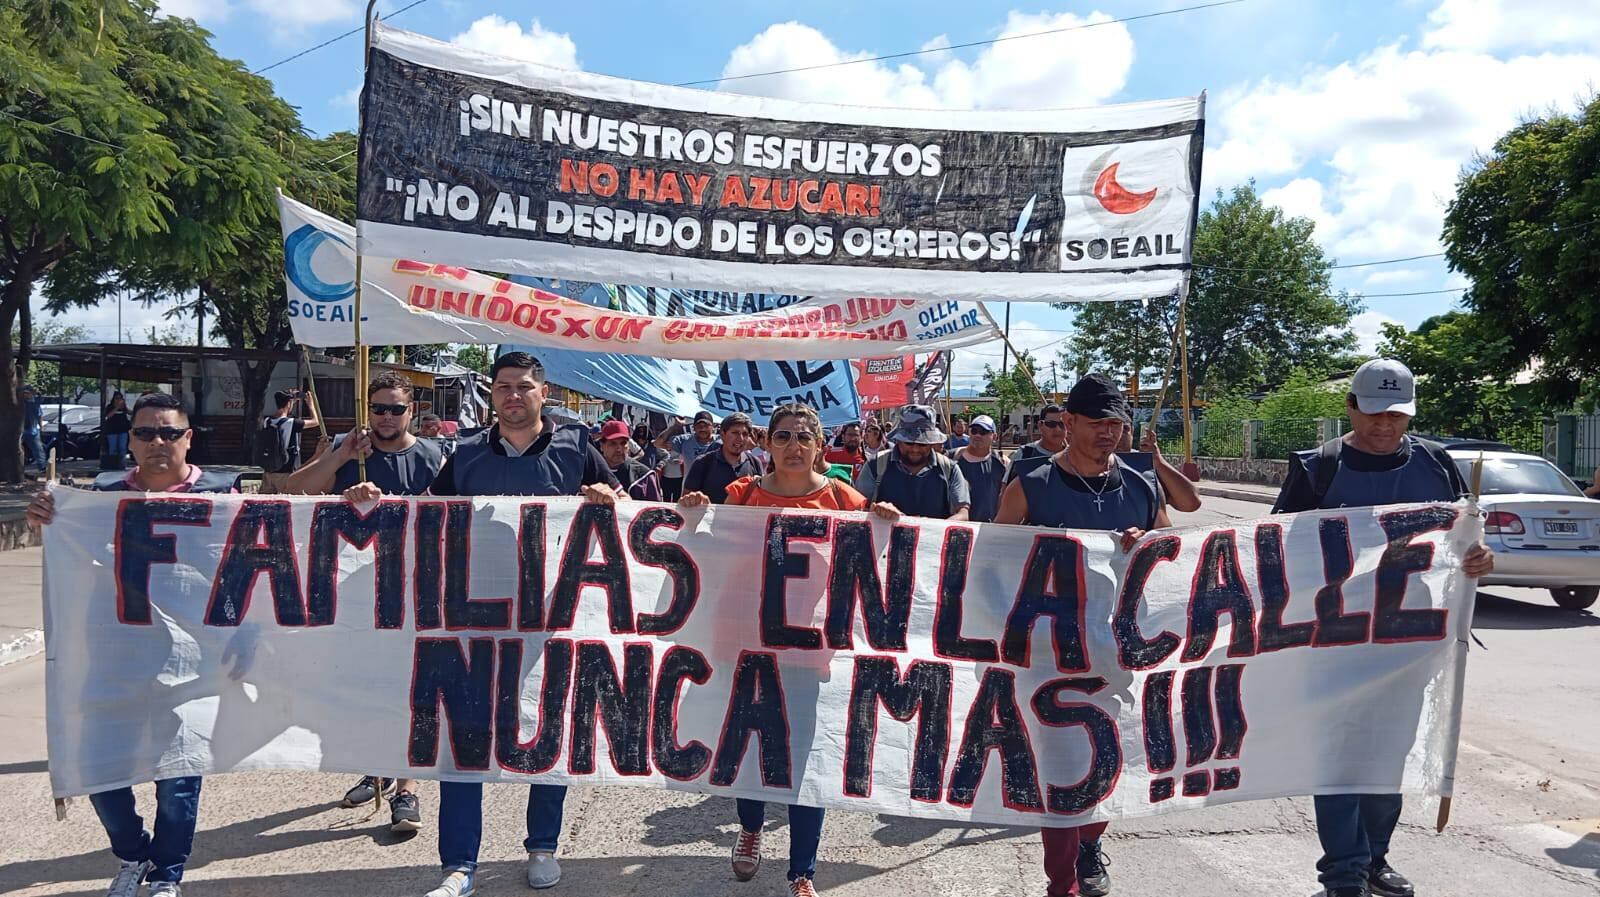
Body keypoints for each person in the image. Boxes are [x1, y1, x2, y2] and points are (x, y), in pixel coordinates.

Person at [1270, 358, 1494, 897]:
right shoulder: (1318, 469)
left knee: (1388, 755)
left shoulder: (1436, 463)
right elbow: (1273, 549)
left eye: (1396, 415)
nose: (1384, 425)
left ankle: (1374, 859)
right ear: (1350, 407)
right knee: (1338, 759)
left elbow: (1462, 534)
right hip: (1333, 642)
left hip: (1408, 642)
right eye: (1374, 413)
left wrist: (1480, 556)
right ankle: (1343, 873)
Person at [421, 352, 624, 897]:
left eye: (525, 386)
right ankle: (459, 863)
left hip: (550, 618)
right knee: (464, 737)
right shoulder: (465, 453)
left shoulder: (576, 447)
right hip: (475, 617)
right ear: (492, 393)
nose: (514, 395)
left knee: (548, 729)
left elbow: (624, 510)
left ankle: (543, 846)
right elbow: (424, 517)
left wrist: (609, 497)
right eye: (504, 386)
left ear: (543, 393)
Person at [680, 403, 897, 897]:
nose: (793, 446)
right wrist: (693, 515)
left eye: (803, 437)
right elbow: (703, 548)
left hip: (809, 650)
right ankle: (751, 827)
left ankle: (802, 871)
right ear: (767, 443)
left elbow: (877, 559)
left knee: (805, 758)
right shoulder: (741, 495)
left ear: (819, 445)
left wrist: (885, 522)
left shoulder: (843, 499)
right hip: (743, 642)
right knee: (748, 747)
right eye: (782, 437)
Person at [26, 393, 236, 897]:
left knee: (179, 780)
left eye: (169, 432)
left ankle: (166, 874)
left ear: (188, 438)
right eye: (144, 433)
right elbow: (72, 556)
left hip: (192, 663)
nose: (157, 442)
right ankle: (132, 852)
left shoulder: (222, 494)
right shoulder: (99, 497)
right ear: (130, 441)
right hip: (111, 660)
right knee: (100, 769)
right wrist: (45, 520)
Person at [995, 374, 1171, 897]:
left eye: (1116, 423)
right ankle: (1062, 881)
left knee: (1107, 758)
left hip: (1118, 654)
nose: (1108, 433)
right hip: (1049, 656)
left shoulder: (1140, 486)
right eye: (1097, 423)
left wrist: (1148, 543)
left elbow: (1172, 551)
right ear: (1069, 422)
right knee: (1061, 767)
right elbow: (991, 559)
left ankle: (1090, 845)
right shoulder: (1031, 485)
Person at [282, 372, 443, 832]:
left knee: (410, 690)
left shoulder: (432, 456)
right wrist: (340, 459)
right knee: (368, 688)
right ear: (366, 409)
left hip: (414, 587)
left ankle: (407, 788)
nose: (386, 417)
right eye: (379, 408)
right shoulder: (347, 447)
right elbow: (294, 491)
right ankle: (376, 769)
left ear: (411, 411)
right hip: (353, 591)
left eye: (396, 409)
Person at [855, 404, 970, 520]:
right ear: (898, 440)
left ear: (931, 443)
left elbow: (963, 513)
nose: (915, 449)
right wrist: (876, 510)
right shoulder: (875, 465)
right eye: (909, 443)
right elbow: (856, 509)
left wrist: (935, 527)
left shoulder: (949, 469)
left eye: (922, 444)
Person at [1117, 424, 1203, 514]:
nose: (1118, 434)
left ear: (1132, 431)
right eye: (1109, 426)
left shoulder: (1145, 466)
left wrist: (1158, 460)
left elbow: (1191, 503)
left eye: (1124, 429)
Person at [682, 412, 761, 505]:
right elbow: (686, 502)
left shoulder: (754, 463)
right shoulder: (702, 463)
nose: (740, 438)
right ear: (723, 434)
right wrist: (696, 499)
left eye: (745, 434)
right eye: (735, 433)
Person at [257, 388, 320, 493]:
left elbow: (281, 412)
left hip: (268, 471)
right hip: (285, 472)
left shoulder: (267, 421)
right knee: (286, 500)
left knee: (265, 500)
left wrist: (290, 401)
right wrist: (311, 405)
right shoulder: (291, 423)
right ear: (289, 404)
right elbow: (315, 421)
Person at [951, 414, 1007, 523]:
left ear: (994, 437)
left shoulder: (1002, 463)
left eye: (983, 432)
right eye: (974, 431)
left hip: (987, 528)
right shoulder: (952, 458)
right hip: (956, 526)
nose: (977, 435)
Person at [598, 418, 662, 501]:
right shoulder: (592, 471)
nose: (619, 449)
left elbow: (655, 507)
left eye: (623, 443)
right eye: (613, 443)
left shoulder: (644, 476)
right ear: (602, 446)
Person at [1004, 404, 1068, 485]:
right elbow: (1006, 488)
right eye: (1051, 424)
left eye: (1062, 424)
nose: (1058, 429)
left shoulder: (1074, 456)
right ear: (1040, 425)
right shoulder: (1025, 454)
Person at [654, 410, 720, 467]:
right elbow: (658, 443)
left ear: (713, 426)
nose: (702, 428)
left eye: (706, 425)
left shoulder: (721, 441)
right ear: (693, 427)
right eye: (699, 425)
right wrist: (675, 426)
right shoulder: (684, 440)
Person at [19, 384, 45, 471]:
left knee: (38, 449)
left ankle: (42, 467)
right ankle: (18, 466)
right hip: (21, 430)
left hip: (32, 430)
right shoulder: (20, 403)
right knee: (16, 448)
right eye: (24, 393)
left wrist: (41, 427)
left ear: (31, 394)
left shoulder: (35, 404)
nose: (26, 395)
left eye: (28, 393)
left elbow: (39, 416)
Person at [103, 392, 133, 467]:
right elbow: (108, 416)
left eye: (120, 398)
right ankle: (113, 463)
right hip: (112, 430)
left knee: (122, 447)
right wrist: (116, 407)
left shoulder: (123, 407)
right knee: (113, 448)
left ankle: (122, 463)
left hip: (123, 430)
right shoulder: (110, 406)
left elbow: (129, 412)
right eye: (117, 398)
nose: (118, 400)